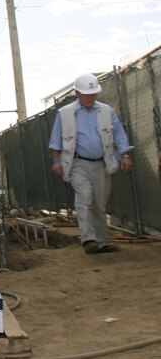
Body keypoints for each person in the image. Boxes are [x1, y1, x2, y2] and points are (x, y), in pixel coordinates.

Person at [48, 73, 133, 254]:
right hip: (78, 163)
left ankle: (101, 241)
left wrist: (124, 155)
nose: (90, 98)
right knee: (84, 198)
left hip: (102, 164)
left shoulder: (106, 111)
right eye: (86, 94)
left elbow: (119, 135)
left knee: (100, 203)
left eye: (93, 94)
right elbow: (56, 140)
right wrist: (56, 161)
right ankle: (89, 240)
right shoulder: (65, 113)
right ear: (77, 93)